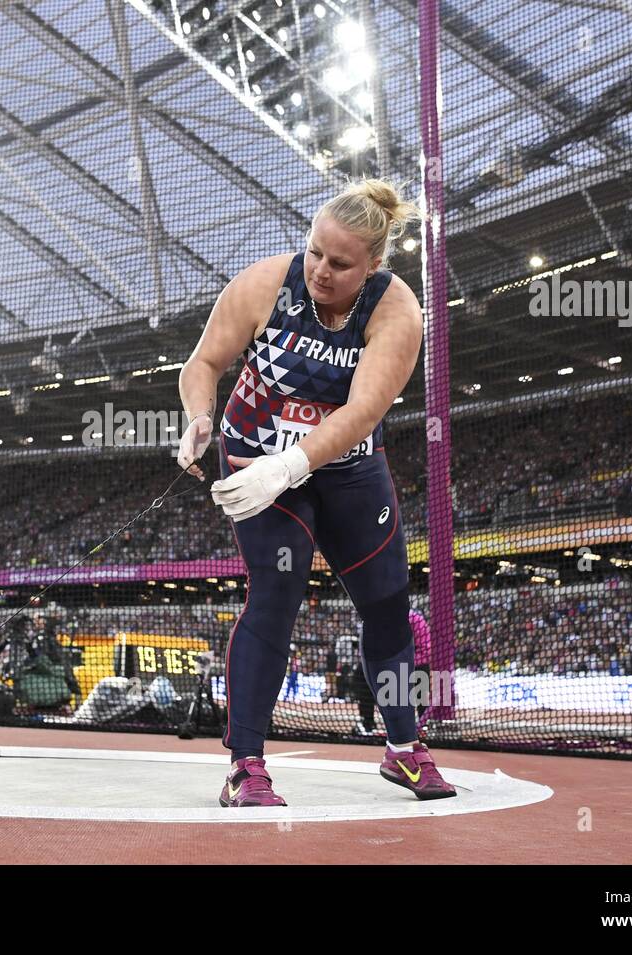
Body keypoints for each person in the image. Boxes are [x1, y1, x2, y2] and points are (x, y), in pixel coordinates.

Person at [177, 178, 456, 806]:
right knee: (276, 594)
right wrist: (199, 416)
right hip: (256, 460)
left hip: (346, 467)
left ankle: (404, 749)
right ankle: (245, 766)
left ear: (374, 265)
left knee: (386, 602)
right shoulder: (264, 285)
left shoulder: (397, 313)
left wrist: (293, 465)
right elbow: (202, 365)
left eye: (340, 263)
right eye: (314, 253)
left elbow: (360, 413)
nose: (321, 272)